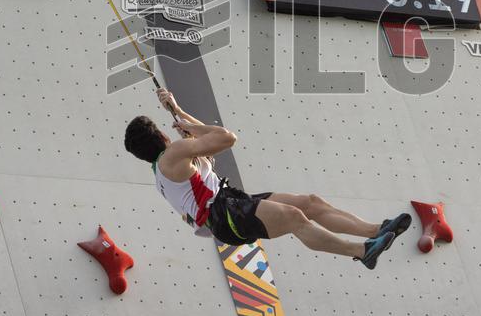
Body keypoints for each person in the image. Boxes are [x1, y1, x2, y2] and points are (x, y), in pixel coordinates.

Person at [123, 88, 411, 269]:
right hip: (225, 214)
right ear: (161, 136)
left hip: (229, 202)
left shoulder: (165, 169)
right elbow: (225, 138)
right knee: (295, 217)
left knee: (308, 203)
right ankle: (362, 251)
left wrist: (181, 115)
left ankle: (375, 230)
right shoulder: (173, 155)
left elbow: (207, 149)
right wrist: (183, 118)